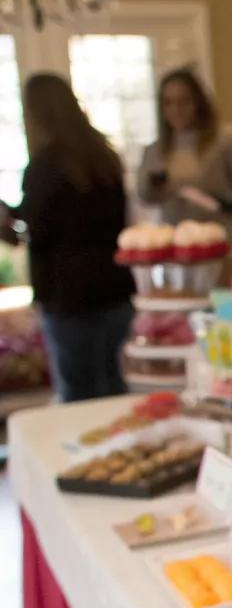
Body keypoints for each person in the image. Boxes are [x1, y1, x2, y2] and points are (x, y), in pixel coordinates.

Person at [19, 73, 133, 402]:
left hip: (67, 294)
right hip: (113, 285)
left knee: (76, 392)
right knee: (115, 385)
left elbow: (37, 230)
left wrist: (10, 221)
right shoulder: (104, 158)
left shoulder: (45, 165)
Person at [137, 68, 232, 243]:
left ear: (198, 102)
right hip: (175, 243)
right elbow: (144, 196)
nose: (176, 110)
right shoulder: (156, 150)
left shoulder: (227, 141)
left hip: (222, 241)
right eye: (168, 103)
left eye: (184, 102)